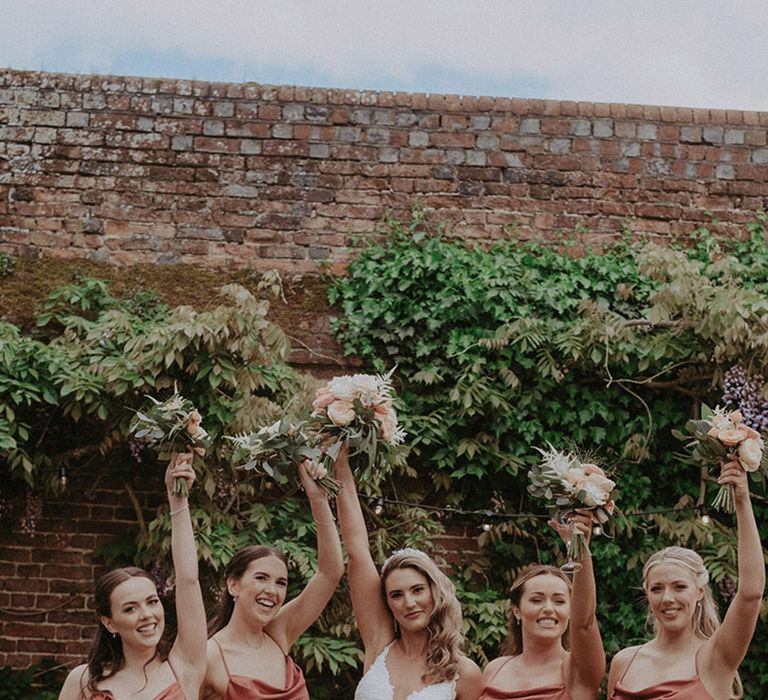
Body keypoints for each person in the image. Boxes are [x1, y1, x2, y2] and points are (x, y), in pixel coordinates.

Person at [335, 445, 483, 700]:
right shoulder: (378, 643)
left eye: (417, 590)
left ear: (435, 592)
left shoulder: (464, 672)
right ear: (388, 602)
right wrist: (340, 464)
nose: (409, 603)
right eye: (396, 595)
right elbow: (357, 550)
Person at [607, 461, 764, 699]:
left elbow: (751, 594)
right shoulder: (624, 661)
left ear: (699, 591)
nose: (668, 598)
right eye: (657, 588)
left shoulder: (716, 656)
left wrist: (741, 499)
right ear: (647, 593)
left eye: (679, 587)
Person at [59, 452, 207, 699]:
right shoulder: (83, 680)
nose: (147, 615)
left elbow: (187, 579)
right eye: (130, 609)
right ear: (109, 622)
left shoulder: (185, 666)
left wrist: (178, 500)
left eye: (152, 602)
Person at [202, 459, 344, 700]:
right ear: (233, 584)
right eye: (261, 578)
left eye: (281, 583)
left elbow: (330, 572)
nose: (272, 590)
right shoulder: (209, 655)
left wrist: (318, 499)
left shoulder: (278, 634)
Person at [479, 512, 605, 700]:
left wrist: (580, 547)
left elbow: (585, 623)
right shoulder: (495, 669)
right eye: (536, 600)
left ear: (571, 611)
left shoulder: (577, 671)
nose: (548, 608)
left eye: (559, 601)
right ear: (517, 611)